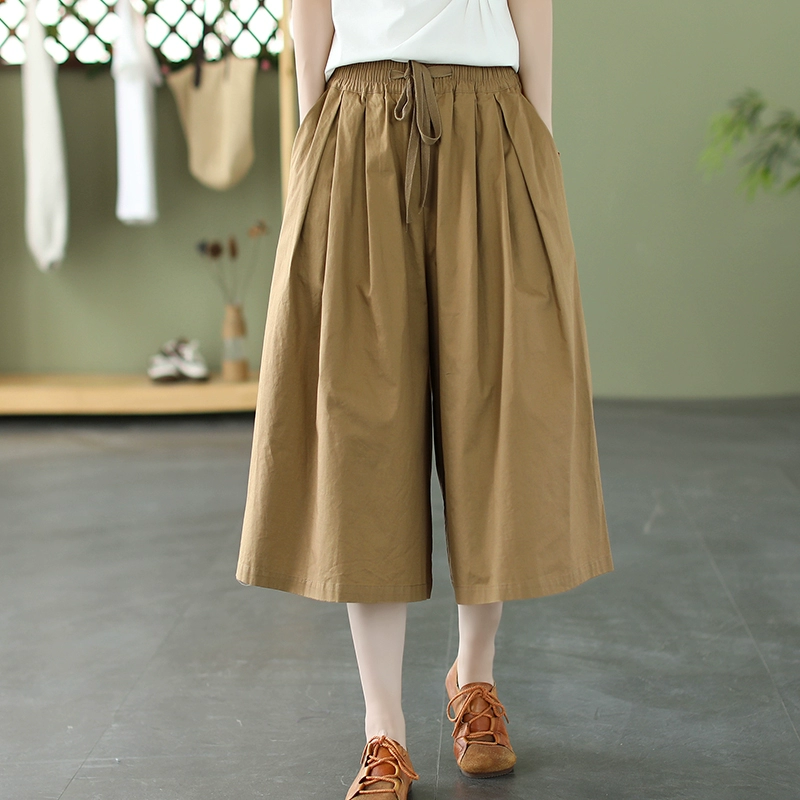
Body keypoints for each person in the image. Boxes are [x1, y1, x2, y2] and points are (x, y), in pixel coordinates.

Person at [236, 1, 614, 798]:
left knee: (498, 415)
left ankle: (474, 678)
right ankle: (384, 728)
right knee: (359, 431)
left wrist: (536, 139)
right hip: (357, 123)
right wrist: (314, 138)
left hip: (492, 118)